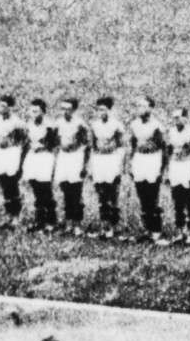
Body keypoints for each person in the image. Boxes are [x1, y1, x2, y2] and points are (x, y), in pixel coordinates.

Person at [128, 96, 169, 243]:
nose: (140, 109)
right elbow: (133, 145)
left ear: (151, 108)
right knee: (142, 195)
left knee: (152, 195)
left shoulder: (157, 126)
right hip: (140, 159)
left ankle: (156, 232)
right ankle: (147, 230)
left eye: (144, 106)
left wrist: (162, 169)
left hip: (153, 160)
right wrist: (131, 163)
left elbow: (163, 148)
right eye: (138, 106)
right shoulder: (134, 124)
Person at [88, 97, 127, 239]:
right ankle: (105, 226)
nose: (100, 112)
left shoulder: (117, 125)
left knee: (113, 194)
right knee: (101, 194)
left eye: (103, 109)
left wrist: (119, 164)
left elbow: (122, 146)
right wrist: (92, 165)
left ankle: (115, 226)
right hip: (99, 160)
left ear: (110, 110)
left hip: (112, 159)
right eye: (98, 110)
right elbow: (93, 146)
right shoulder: (94, 125)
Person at [165, 107, 190, 245]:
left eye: (179, 117)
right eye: (174, 118)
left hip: (188, 166)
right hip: (176, 167)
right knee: (178, 200)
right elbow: (169, 151)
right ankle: (180, 232)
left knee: (189, 200)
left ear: (186, 118)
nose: (177, 120)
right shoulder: (171, 132)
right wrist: (168, 169)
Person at [0, 96, 28, 230]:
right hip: (0, 154)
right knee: (3, 183)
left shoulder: (17, 122)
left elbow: (25, 141)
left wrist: (20, 159)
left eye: (4, 106)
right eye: (0, 106)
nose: (2, 109)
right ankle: (8, 216)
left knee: (12, 183)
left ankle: (16, 216)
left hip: (13, 153)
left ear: (11, 107)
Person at [53, 98, 90, 235]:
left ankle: (77, 224)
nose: (65, 111)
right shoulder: (58, 123)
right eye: (63, 108)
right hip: (64, 157)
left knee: (76, 191)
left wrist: (84, 165)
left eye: (68, 109)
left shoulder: (80, 124)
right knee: (66, 190)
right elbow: (56, 141)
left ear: (74, 109)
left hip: (76, 157)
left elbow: (86, 145)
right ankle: (68, 222)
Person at [22, 98, 59, 234]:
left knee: (45, 189)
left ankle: (51, 221)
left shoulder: (49, 126)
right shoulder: (29, 125)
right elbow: (27, 142)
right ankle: (39, 221)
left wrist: (43, 148)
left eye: (36, 111)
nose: (33, 113)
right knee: (36, 189)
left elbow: (53, 144)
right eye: (32, 111)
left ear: (43, 112)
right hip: (33, 158)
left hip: (45, 158)